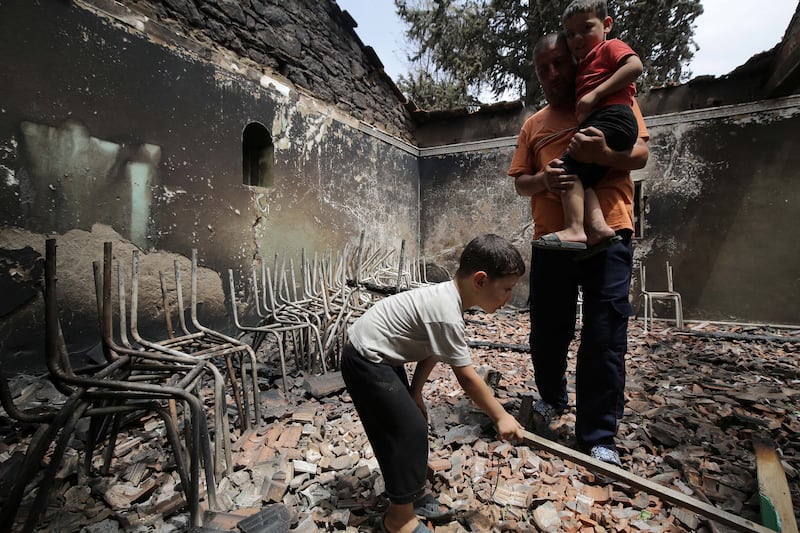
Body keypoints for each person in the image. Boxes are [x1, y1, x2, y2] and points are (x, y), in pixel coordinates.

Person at [507, 32, 649, 466]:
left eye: (559, 64)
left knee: (605, 334)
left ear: (577, 62)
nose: (552, 74)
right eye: (542, 68)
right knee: (548, 330)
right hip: (553, 240)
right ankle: (552, 398)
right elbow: (519, 183)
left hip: (611, 233)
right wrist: (544, 180)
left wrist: (604, 151)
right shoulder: (534, 124)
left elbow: (639, 155)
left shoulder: (613, 105)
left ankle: (598, 435)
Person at [342, 234, 525, 533]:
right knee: (406, 430)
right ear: (480, 280)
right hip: (366, 358)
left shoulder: (450, 301)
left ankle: (409, 496)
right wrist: (501, 415)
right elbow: (467, 378)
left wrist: (416, 393)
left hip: (383, 356)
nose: (508, 299)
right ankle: (398, 519)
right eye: (506, 289)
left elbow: (433, 349)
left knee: (412, 423)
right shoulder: (447, 313)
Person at [535, 0, 643, 251]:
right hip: (608, 119)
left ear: (607, 25)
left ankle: (575, 229)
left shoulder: (609, 48)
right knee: (584, 178)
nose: (578, 38)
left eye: (586, 28)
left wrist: (595, 96)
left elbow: (635, 66)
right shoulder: (585, 65)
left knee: (567, 170)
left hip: (612, 118)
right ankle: (597, 228)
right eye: (571, 34)